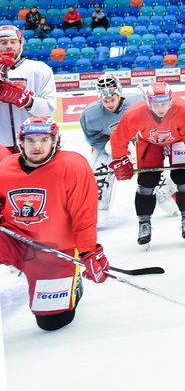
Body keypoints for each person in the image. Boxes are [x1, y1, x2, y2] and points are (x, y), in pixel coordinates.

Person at [0, 117, 109, 331]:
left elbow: (83, 215)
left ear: (55, 141)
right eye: (30, 140)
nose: (37, 146)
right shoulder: (4, 168)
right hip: (14, 239)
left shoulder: (73, 166)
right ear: (21, 142)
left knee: (52, 322)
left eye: (44, 139)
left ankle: (73, 283)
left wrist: (88, 252)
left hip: (54, 251)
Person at [109, 81, 185, 247]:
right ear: (148, 102)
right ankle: (144, 223)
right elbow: (119, 138)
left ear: (171, 101)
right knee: (146, 181)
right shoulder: (134, 114)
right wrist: (120, 159)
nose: (160, 108)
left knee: (183, 176)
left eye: (164, 103)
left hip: (178, 141)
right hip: (149, 143)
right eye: (156, 104)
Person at [78, 74, 145, 217]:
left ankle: (172, 196)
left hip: (140, 140)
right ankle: (98, 209)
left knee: (154, 167)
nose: (109, 104)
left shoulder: (139, 101)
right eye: (105, 100)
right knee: (99, 172)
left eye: (112, 99)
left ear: (119, 93)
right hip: (111, 144)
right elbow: (94, 139)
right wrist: (113, 150)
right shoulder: (90, 115)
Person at [0, 24, 57, 156]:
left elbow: (49, 108)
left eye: (13, 41)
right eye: (3, 42)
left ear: (21, 43)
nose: (9, 46)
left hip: (34, 141)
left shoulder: (40, 69)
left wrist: (29, 101)